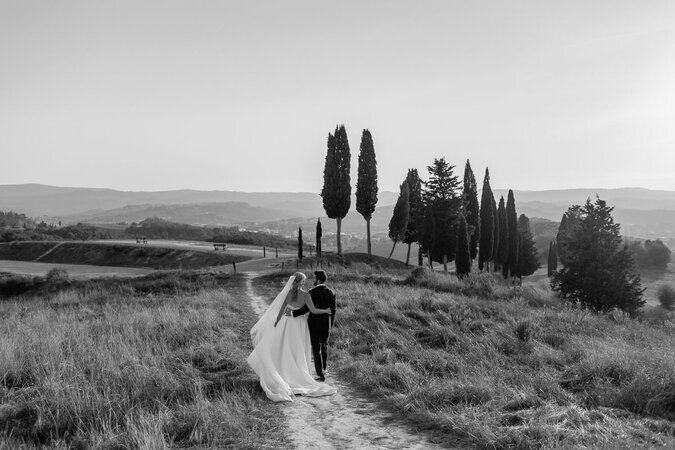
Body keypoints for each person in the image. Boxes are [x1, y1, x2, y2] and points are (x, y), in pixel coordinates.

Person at [247, 272, 336, 402]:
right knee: (297, 348)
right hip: (299, 324)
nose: (305, 283)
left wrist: (276, 323)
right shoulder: (306, 294)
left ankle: (283, 371)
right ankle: (302, 372)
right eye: (303, 281)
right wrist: (326, 311)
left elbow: (281, 311)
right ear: (301, 282)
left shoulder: (288, 293)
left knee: (285, 346)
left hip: (286, 322)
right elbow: (314, 310)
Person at [285, 270, 335, 382]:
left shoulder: (311, 292)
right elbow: (333, 311)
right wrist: (330, 324)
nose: (312, 280)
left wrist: (293, 313)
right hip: (326, 323)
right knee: (324, 346)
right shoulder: (332, 292)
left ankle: (319, 373)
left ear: (318, 280)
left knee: (316, 347)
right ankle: (325, 368)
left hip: (314, 323)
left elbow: (306, 309)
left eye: (314, 278)